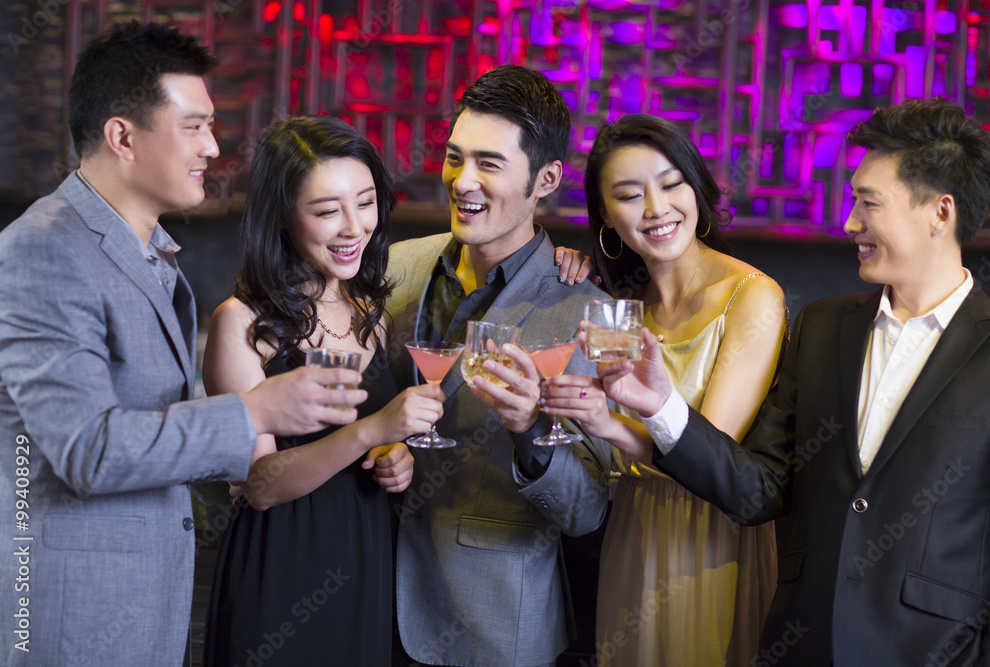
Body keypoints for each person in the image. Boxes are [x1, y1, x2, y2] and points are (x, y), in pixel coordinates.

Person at [0, 22, 366, 666]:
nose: (214, 145)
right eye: (194, 126)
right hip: (70, 612)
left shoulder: (154, 258)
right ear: (122, 136)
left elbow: (155, 432)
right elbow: (86, 449)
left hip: (147, 604)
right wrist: (255, 413)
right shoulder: (45, 249)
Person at [595, 98, 990, 665]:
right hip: (803, 644)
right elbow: (759, 488)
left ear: (940, 213)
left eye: (867, 203)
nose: (849, 222)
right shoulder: (823, 327)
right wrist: (662, 407)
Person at [385, 65, 612, 666]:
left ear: (547, 179)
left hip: (489, 626)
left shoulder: (585, 313)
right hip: (361, 596)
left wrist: (529, 432)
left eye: (489, 163)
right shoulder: (393, 268)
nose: (463, 181)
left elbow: (586, 509)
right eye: (455, 158)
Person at [541, 114, 786, 666]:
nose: (656, 209)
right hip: (635, 529)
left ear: (696, 189)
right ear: (606, 215)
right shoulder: (619, 309)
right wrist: (563, 271)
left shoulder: (750, 296)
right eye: (629, 195)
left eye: (672, 184)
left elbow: (710, 454)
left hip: (713, 538)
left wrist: (607, 425)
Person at [201, 115, 436, 666]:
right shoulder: (240, 325)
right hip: (281, 565)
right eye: (328, 211)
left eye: (366, 202)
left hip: (364, 558)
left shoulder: (371, 315)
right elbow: (259, 484)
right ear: (282, 217)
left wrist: (393, 456)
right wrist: (373, 430)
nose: (355, 227)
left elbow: (371, 446)